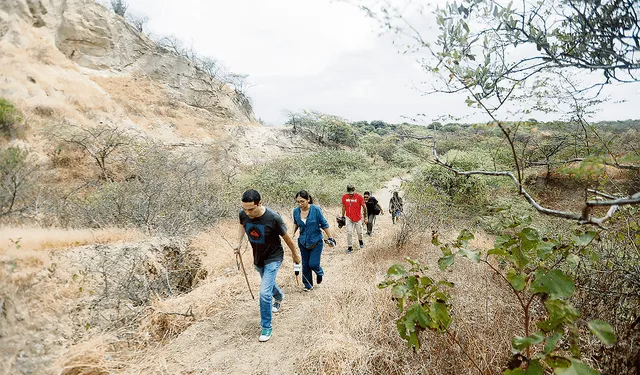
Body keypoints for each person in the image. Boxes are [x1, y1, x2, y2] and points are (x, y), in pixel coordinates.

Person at [233, 189, 301, 343]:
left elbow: (287, 238)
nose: (248, 212)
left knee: (264, 292)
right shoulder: (243, 214)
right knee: (267, 282)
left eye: (251, 209)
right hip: (258, 258)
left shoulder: (273, 218)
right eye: (245, 208)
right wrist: (238, 242)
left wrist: (295, 256)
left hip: (274, 257)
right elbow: (242, 225)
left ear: (260, 203)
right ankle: (278, 296)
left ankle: (266, 326)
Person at [292, 190, 336, 291]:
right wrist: (292, 234)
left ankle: (319, 272)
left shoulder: (316, 210)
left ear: (308, 199)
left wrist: (330, 237)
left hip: (316, 241)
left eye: (302, 201)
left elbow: (324, 224)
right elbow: (296, 223)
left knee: (313, 264)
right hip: (303, 241)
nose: (300, 204)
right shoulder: (295, 211)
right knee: (305, 264)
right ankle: (308, 285)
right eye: (298, 202)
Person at [341, 184, 367, 253]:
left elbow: (364, 207)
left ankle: (360, 241)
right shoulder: (344, 197)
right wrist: (342, 216)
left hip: (358, 218)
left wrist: (365, 217)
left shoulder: (359, 197)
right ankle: (350, 247)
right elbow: (343, 207)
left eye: (351, 193)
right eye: (349, 193)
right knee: (349, 232)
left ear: (354, 191)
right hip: (348, 217)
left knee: (359, 232)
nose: (350, 195)